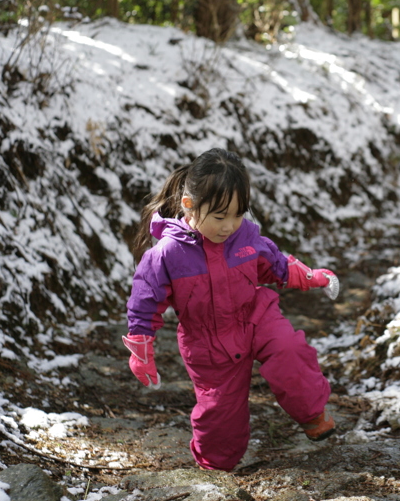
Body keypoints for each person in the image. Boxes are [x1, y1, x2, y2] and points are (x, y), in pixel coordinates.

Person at [123, 148, 339, 471]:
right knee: (220, 416)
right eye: (220, 216)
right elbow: (145, 298)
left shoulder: (245, 239)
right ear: (189, 206)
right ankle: (214, 464)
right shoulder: (167, 255)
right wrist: (141, 346)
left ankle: (312, 415)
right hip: (207, 342)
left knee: (290, 349)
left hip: (255, 318)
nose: (229, 226)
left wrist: (313, 277)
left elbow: (277, 265)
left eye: (238, 215)